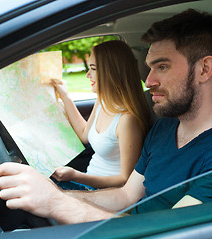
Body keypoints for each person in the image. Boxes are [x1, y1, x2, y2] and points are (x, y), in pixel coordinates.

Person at [0, 9, 212, 225]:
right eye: (149, 67)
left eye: (162, 66)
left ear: (205, 69)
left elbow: (169, 232)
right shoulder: (165, 127)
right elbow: (126, 195)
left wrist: (57, 203)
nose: (148, 80)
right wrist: (55, 194)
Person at [50, 40, 151, 189]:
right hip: (87, 182)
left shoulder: (127, 120)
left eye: (93, 68)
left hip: (104, 192)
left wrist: (75, 175)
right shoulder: (102, 101)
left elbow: (126, 179)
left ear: (111, 71)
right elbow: (85, 134)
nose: (87, 74)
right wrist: (65, 97)